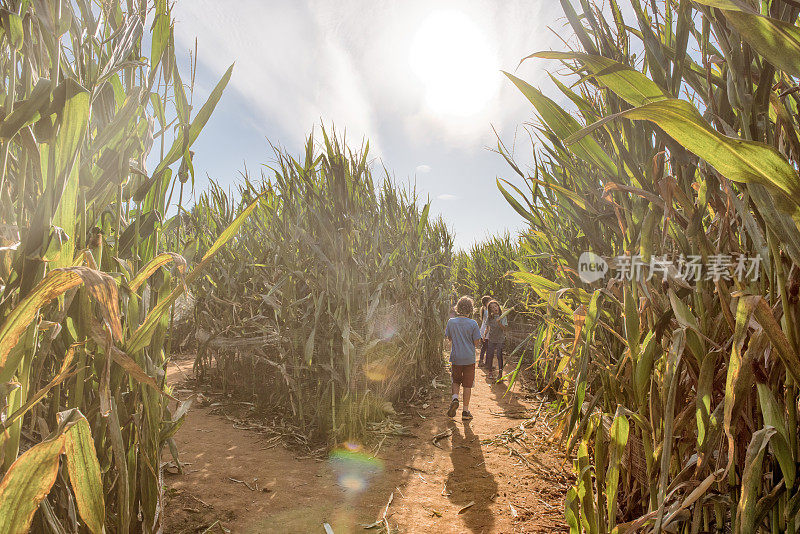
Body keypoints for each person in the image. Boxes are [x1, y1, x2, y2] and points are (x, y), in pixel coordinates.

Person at [444, 296, 481, 420]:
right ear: (471, 309)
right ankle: (465, 411)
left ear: (457, 308)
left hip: (456, 357)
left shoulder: (451, 322)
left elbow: (449, 338)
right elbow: (476, 342)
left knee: (455, 380)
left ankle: (455, 398)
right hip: (469, 358)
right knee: (467, 385)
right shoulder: (473, 323)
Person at [484, 300, 508, 380]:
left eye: (495, 306)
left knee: (499, 355)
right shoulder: (490, 317)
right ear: (490, 310)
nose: (494, 308)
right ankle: (490, 372)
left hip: (500, 339)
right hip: (491, 338)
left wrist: (499, 323)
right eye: (492, 308)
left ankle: (500, 373)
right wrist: (485, 335)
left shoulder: (503, 316)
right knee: (490, 355)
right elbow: (487, 327)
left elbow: (504, 328)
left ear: (498, 306)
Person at [477, 296, 491, 367]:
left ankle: (482, 361)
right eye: (489, 301)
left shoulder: (484, 309)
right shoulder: (487, 310)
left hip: (483, 330)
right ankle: (486, 363)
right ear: (486, 302)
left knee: (484, 347)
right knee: (487, 347)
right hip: (486, 331)